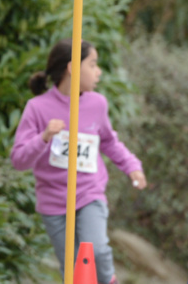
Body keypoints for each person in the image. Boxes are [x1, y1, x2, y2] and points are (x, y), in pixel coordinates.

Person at [10, 39, 147, 284]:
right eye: (93, 64)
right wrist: (44, 137)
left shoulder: (97, 103)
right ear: (73, 68)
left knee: (95, 250)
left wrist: (132, 166)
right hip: (53, 204)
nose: (99, 71)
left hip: (88, 195)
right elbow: (19, 160)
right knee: (73, 272)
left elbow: (110, 142)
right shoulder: (37, 108)